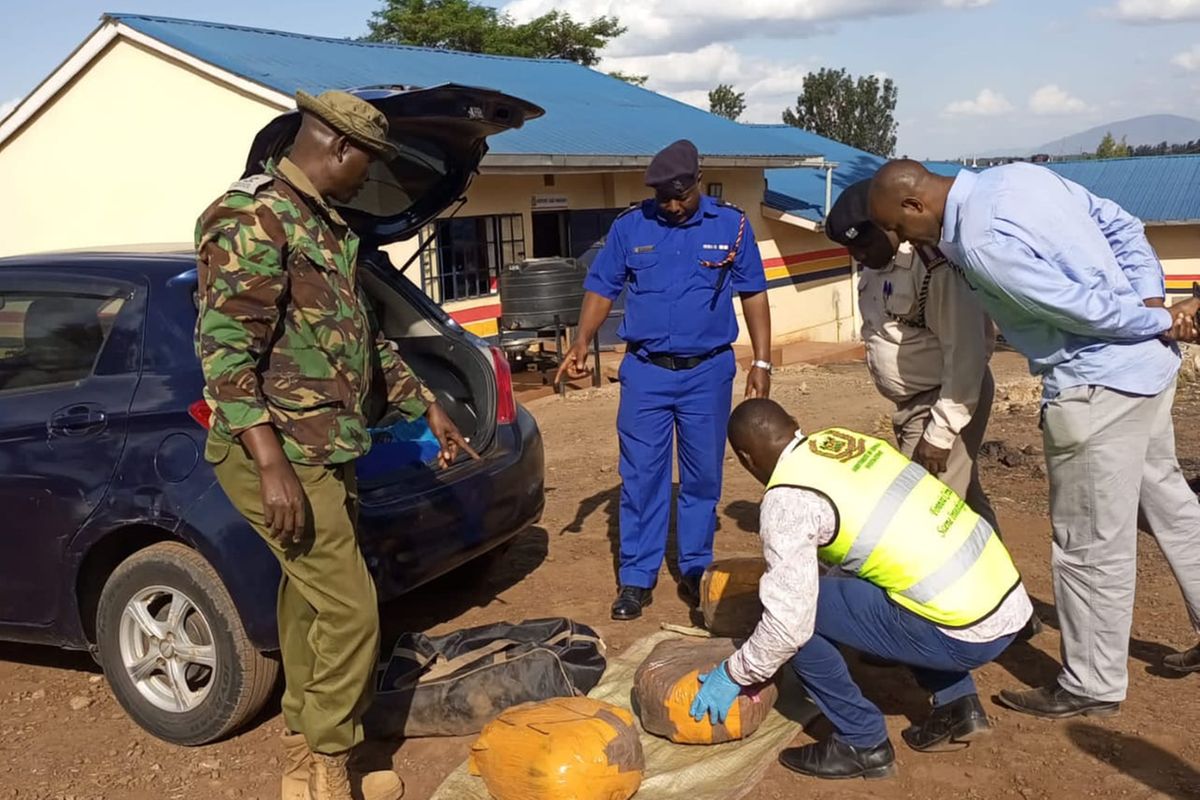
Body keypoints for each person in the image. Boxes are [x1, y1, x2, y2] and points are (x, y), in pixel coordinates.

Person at [195, 90, 475, 800]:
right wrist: (270, 466)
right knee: (351, 607)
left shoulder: (323, 226)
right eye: (368, 164)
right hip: (279, 451)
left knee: (310, 599)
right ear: (340, 148)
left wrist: (429, 407)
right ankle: (324, 761)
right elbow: (224, 352)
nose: (368, 181)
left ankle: (303, 737)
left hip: (324, 444)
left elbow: (364, 341)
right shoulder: (251, 217)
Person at [868, 159, 1200, 719]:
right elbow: (1121, 223)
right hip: (1147, 373)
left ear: (914, 205)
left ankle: (1092, 682)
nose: (901, 240)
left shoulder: (979, 243)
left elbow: (1076, 309)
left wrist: (1155, 318)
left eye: (899, 228)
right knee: (1170, 504)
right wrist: (1150, 301)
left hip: (1097, 386)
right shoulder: (1019, 177)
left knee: (1090, 543)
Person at [690, 399, 1032, 780]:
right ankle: (958, 704)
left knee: (797, 617)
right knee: (868, 575)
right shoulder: (845, 442)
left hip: (965, 633)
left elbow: (789, 625)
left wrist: (735, 673)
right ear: (796, 424)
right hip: (1007, 600)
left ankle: (862, 741)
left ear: (746, 460)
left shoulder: (788, 500)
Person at [555, 139, 773, 621]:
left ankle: (695, 569)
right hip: (647, 375)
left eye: (680, 196)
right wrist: (579, 341)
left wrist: (762, 362)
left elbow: (754, 293)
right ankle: (636, 577)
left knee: (701, 478)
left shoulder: (732, 226)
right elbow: (601, 287)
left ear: (698, 182)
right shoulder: (631, 227)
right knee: (640, 477)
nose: (672, 206)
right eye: (663, 198)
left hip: (707, 374)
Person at [826, 178, 999, 531]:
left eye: (864, 243)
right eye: (851, 249)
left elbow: (967, 354)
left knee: (924, 514)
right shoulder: (876, 265)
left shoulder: (932, 267)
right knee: (963, 503)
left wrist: (940, 434)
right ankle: (1003, 582)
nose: (858, 256)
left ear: (889, 224)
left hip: (945, 401)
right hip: (913, 406)